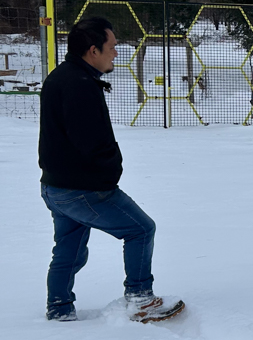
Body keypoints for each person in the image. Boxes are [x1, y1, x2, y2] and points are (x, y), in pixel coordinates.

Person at [38, 17, 183, 323]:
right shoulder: (79, 86)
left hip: (56, 187)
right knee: (141, 229)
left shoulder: (63, 77)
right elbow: (89, 141)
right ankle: (141, 298)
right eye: (112, 47)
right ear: (93, 50)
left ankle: (59, 306)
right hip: (83, 189)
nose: (116, 53)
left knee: (69, 248)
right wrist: (109, 171)